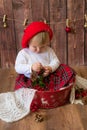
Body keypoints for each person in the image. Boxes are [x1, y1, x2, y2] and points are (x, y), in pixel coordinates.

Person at [14, 21, 75, 91]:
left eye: (42, 46)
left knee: (65, 69)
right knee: (24, 88)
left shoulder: (48, 50)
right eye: (34, 47)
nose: (38, 50)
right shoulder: (24, 53)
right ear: (28, 42)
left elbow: (56, 61)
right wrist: (31, 67)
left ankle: (59, 90)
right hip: (31, 79)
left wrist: (50, 68)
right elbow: (18, 67)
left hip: (49, 77)